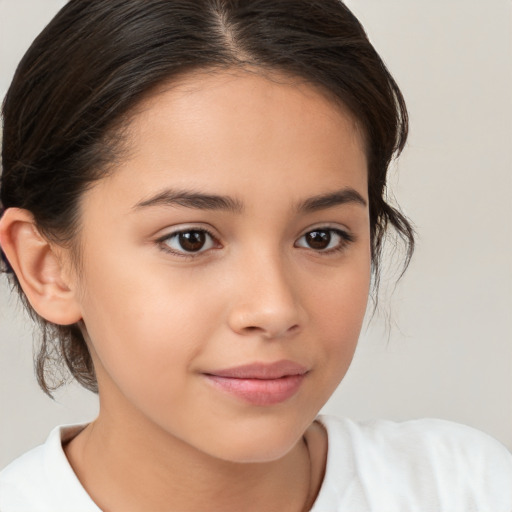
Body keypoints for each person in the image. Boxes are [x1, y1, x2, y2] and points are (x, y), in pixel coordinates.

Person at [0, 0, 511, 510]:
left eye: (321, 237)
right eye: (191, 239)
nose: (274, 309)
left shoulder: (466, 489)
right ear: (48, 268)